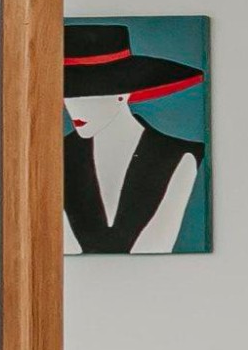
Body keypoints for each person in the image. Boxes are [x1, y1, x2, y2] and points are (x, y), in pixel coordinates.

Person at [62, 22, 205, 253]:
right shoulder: (54, 156)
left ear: (122, 93)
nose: (73, 108)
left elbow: (153, 249)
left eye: (88, 93)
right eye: (67, 94)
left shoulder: (178, 156)